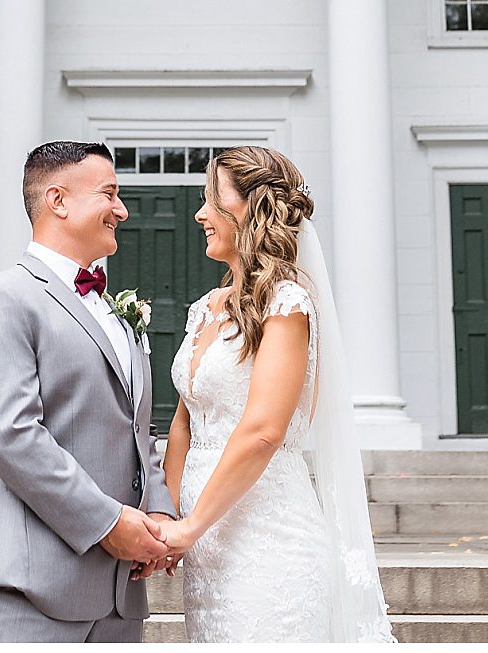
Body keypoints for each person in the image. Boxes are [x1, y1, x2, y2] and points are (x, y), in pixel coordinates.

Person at [145, 145, 394, 642]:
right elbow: (184, 422)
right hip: (206, 547)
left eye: (212, 201)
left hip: (269, 543)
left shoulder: (288, 304)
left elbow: (263, 431)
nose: (200, 215)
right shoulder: (204, 309)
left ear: (250, 208)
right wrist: (169, 522)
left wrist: (190, 526)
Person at [0, 140, 177, 641]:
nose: (122, 209)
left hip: (121, 600)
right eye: (109, 194)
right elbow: (9, 435)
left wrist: (159, 509)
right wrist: (108, 524)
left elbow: (138, 430)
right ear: (58, 201)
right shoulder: (3, 298)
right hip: (33, 588)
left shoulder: (119, 312)